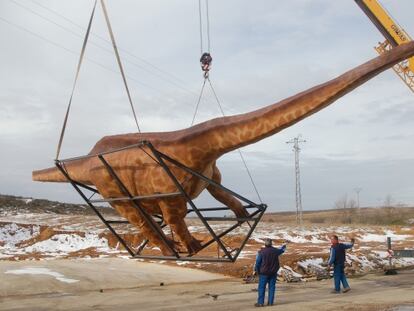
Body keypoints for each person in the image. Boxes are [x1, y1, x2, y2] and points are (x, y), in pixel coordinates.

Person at [254, 238, 286, 307]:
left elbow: (258, 263)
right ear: (271, 244)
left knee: (262, 288)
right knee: (272, 288)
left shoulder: (261, 252)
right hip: (273, 273)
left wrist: (257, 271)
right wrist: (284, 245)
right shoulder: (275, 251)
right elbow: (282, 250)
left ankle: (260, 303)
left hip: (263, 273)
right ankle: (270, 302)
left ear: (265, 244)